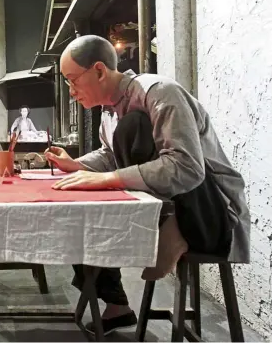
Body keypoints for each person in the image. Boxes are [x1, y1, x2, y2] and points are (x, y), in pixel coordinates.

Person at [44, 34, 250, 336]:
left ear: (100, 70)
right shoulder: (109, 113)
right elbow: (110, 156)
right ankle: (116, 304)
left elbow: (187, 168)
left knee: (133, 127)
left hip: (211, 212)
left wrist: (106, 179)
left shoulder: (159, 92)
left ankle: (176, 226)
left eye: (73, 81)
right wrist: (77, 166)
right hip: (157, 204)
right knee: (79, 215)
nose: (71, 91)